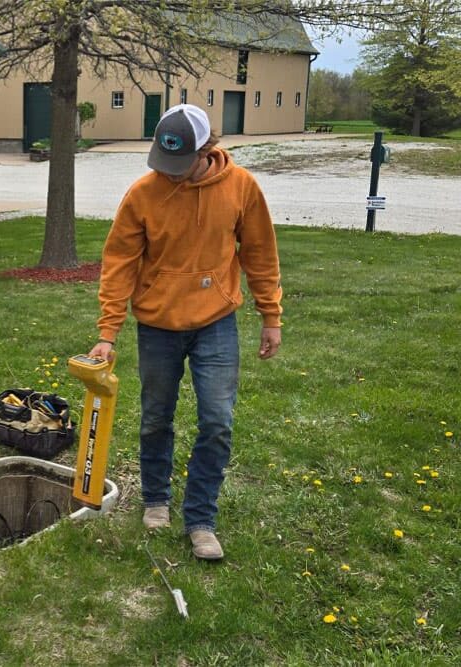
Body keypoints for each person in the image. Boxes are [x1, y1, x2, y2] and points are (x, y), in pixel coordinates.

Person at [88, 104, 282, 560]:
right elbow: (119, 264)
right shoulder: (142, 194)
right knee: (156, 417)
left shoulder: (241, 188)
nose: (171, 174)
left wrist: (270, 315)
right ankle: (155, 500)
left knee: (217, 420)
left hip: (216, 322)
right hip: (157, 325)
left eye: (180, 165)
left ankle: (201, 519)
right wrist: (108, 331)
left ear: (207, 150)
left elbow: (260, 252)